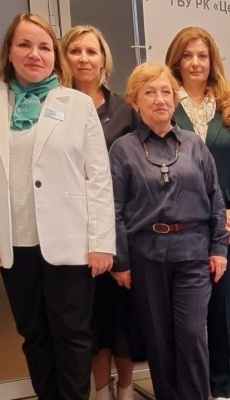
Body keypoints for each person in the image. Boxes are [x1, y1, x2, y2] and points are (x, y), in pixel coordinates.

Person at [0, 12, 116, 400]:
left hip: (70, 244)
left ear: (55, 55)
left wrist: (102, 242)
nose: (35, 54)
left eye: (44, 47)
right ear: (9, 51)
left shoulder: (77, 104)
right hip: (15, 244)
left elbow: (98, 177)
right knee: (34, 336)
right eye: (24, 45)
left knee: (73, 336)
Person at [109, 63, 229, 400]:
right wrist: (121, 262)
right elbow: (114, 209)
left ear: (175, 99)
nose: (159, 99)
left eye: (166, 92)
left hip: (193, 253)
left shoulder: (194, 145)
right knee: (159, 341)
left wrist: (219, 248)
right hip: (145, 255)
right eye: (149, 92)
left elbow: (215, 198)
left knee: (192, 335)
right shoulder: (123, 149)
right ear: (134, 101)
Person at [164, 26, 230, 400]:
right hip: (179, 225)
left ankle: (223, 390)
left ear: (212, 60)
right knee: (184, 314)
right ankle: (188, 388)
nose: (195, 63)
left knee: (224, 303)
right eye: (187, 55)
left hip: (228, 225)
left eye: (202, 55)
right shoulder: (163, 102)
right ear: (176, 61)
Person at [61, 24, 138, 400]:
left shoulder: (124, 110)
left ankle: (126, 388)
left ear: (104, 59)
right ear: (64, 58)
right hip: (73, 233)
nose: (84, 58)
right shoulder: (55, 107)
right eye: (75, 51)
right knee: (90, 324)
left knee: (122, 320)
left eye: (91, 51)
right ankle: (101, 392)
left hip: (120, 230)